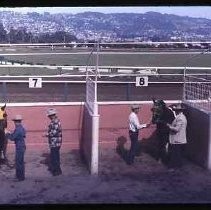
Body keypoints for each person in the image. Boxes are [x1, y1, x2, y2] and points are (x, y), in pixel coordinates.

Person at [152, 100, 175, 164]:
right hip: (161, 130)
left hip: (166, 131)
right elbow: (153, 121)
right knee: (161, 145)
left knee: (164, 145)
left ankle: (164, 158)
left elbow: (171, 121)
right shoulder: (158, 112)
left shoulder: (168, 112)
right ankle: (162, 158)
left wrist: (160, 121)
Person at [166, 104, 187, 171]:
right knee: (177, 154)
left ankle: (172, 167)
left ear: (179, 111)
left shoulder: (180, 118)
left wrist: (169, 126)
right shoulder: (181, 117)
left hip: (177, 139)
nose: (176, 111)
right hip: (179, 139)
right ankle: (178, 166)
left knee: (174, 154)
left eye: (177, 110)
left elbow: (177, 129)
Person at [6, 114, 26, 181]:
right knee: (20, 162)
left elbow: (12, 138)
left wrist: (7, 134)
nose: (14, 123)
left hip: (19, 146)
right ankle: (21, 176)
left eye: (15, 121)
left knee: (18, 162)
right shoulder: (21, 128)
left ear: (16, 122)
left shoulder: (18, 129)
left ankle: (19, 177)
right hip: (22, 145)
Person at [44, 108, 62, 176]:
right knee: (55, 156)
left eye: (49, 116)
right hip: (56, 142)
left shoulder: (55, 122)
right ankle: (57, 170)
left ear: (52, 115)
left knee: (54, 157)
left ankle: (56, 171)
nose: (48, 117)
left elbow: (53, 133)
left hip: (55, 142)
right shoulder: (55, 121)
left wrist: (47, 135)